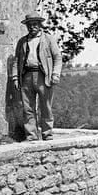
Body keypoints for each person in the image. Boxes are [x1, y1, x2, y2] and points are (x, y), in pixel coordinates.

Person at [11, 12, 62, 141]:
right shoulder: (22, 41)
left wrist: (55, 74)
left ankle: (47, 134)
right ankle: (31, 135)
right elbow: (17, 60)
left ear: (40, 25)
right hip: (26, 76)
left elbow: (57, 58)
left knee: (46, 107)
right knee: (28, 107)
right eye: (29, 25)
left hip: (43, 76)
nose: (32, 27)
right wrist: (15, 77)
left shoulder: (48, 39)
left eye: (35, 24)